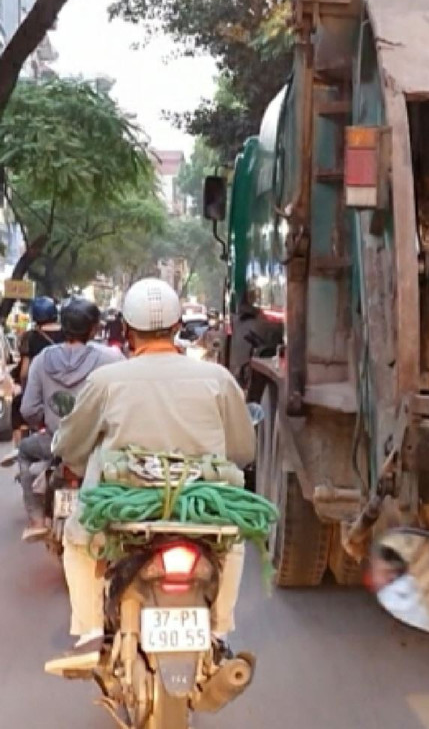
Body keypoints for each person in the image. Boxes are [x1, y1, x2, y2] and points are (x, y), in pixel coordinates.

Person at [45, 278, 256, 676]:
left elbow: (72, 447)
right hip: (202, 506)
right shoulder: (218, 379)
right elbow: (243, 450)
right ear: (177, 327)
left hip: (124, 507)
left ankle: (91, 630)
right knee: (234, 541)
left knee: (77, 542)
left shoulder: (107, 382)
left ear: (126, 329)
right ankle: (220, 629)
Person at [16, 297, 123, 541]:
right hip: (97, 447)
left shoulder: (42, 359)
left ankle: (35, 519)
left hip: (56, 443)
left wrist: (47, 422)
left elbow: (29, 409)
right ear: (94, 328)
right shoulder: (112, 358)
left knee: (24, 450)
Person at [12, 297, 63, 444]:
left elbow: (24, 373)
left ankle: (19, 448)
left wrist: (24, 388)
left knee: (17, 406)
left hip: (38, 392)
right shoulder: (67, 334)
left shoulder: (30, 337)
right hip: (63, 392)